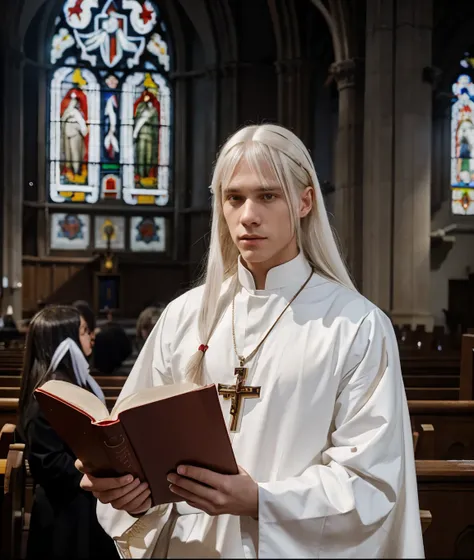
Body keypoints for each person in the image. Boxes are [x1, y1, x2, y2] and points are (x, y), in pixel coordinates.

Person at [77, 124, 424, 558]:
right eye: (234, 197)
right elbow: (136, 443)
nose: (248, 216)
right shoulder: (185, 317)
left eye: (267, 196)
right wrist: (125, 488)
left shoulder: (355, 325)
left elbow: (371, 482)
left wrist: (259, 500)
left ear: (304, 201)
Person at [17, 305, 118, 559]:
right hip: (65, 513)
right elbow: (48, 462)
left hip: (82, 502)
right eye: (83, 331)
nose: (90, 336)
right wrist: (98, 466)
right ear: (66, 340)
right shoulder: (49, 393)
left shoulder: (70, 383)